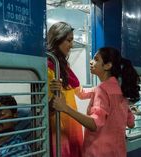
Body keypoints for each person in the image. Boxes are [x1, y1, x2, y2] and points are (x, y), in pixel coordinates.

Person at [51, 47, 139, 157]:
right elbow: (131, 124)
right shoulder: (120, 90)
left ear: (108, 66)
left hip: (97, 152)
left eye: (96, 59)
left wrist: (65, 108)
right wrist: (67, 73)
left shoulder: (102, 90)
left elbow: (94, 124)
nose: (91, 62)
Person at [47, 21, 83, 157]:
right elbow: (49, 106)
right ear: (57, 39)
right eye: (69, 40)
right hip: (58, 124)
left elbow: (75, 85)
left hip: (70, 122)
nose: (72, 45)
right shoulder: (48, 65)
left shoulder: (62, 64)